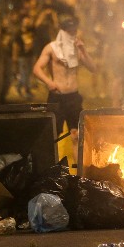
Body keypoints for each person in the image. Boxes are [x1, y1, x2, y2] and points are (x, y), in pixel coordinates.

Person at [32, 16, 96, 164]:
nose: (72, 34)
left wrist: (83, 50)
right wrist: (49, 81)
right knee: (54, 134)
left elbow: (93, 68)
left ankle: (78, 172)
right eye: (69, 31)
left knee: (77, 135)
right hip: (57, 97)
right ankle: (54, 169)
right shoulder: (51, 48)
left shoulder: (77, 49)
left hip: (73, 97)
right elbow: (37, 68)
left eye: (74, 30)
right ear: (62, 31)